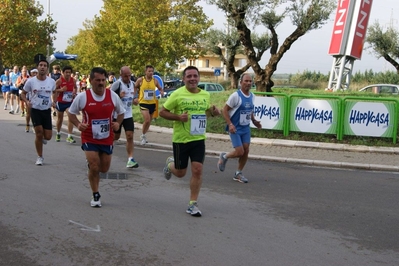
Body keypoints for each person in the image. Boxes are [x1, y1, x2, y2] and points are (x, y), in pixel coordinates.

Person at [159, 66, 220, 217]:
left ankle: (192, 204)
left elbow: (205, 112)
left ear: (199, 78)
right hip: (181, 140)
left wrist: (213, 112)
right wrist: (178, 117)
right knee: (180, 173)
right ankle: (169, 164)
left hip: (198, 139)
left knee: (198, 170)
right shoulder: (177, 94)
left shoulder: (205, 94)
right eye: (189, 76)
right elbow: (162, 112)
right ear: (184, 79)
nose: (192, 79)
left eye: (195, 76)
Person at [68, 67, 125, 208]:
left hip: (106, 137)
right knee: (94, 165)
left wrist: (118, 123)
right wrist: (78, 124)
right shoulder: (83, 97)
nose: (101, 83)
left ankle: (93, 169)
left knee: (104, 169)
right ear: (91, 81)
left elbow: (121, 112)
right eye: (97, 80)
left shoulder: (112, 96)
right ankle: (95, 194)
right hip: (89, 136)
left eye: (103, 80)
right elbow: (71, 113)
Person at [217, 73, 262, 183]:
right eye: (246, 81)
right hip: (235, 128)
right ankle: (225, 156)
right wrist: (230, 124)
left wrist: (254, 121)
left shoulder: (252, 96)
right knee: (240, 151)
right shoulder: (236, 96)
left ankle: (238, 173)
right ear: (241, 82)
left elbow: (250, 111)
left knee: (246, 150)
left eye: (250, 81)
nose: (248, 83)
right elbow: (225, 110)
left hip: (245, 128)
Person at [20, 59, 56, 166]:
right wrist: (27, 101)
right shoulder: (31, 81)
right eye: (41, 65)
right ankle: (40, 157)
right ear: (38, 67)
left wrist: (54, 102)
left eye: (45, 65)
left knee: (48, 136)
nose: (42, 67)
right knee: (39, 132)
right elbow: (23, 93)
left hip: (46, 110)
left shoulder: (51, 81)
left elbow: (54, 92)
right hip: (35, 109)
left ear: (47, 68)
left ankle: (43, 139)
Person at [110, 66, 139, 168]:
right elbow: (109, 97)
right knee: (115, 137)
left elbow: (135, 97)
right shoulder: (117, 84)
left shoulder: (133, 84)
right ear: (121, 75)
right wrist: (118, 96)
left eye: (129, 75)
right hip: (117, 115)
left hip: (128, 114)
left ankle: (130, 159)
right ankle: (105, 148)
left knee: (130, 136)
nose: (128, 77)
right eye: (126, 76)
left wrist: (135, 100)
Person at [133, 65, 164, 145]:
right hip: (143, 102)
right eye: (149, 71)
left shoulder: (155, 81)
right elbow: (135, 87)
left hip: (152, 103)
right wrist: (135, 97)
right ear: (145, 72)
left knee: (149, 121)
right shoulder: (140, 80)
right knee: (146, 120)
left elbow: (160, 88)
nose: (150, 73)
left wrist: (161, 91)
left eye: (152, 71)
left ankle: (144, 135)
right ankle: (143, 136)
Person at [54, 66, 78, 143]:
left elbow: (75, 87)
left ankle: (69, 136)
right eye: (66, 72)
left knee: (71, 117)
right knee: (60, 119)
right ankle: (58, 133)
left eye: (69, 72)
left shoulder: (73, 80)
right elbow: (52, 89)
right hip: (61, 102)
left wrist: (74, 93)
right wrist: (61, 90)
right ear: (63, 73)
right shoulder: (59, 81)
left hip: (69, 102)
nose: (68, 74)